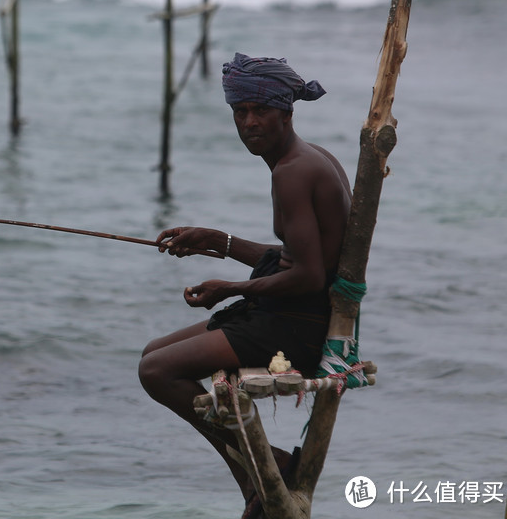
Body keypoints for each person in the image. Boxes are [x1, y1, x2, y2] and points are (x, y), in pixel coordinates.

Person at [138, 53, 352, 514]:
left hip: (294, 328)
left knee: (156, 372)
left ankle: (263, 466)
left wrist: (231, 289)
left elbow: (310, 275)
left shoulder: (293, 173)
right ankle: (258, 473)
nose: (250, 122)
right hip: (288, 312)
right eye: (241, 112)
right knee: (152, 354)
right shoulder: (307, 159)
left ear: (286, 112)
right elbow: (295, 258)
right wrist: (218, 240)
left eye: (261, 111)